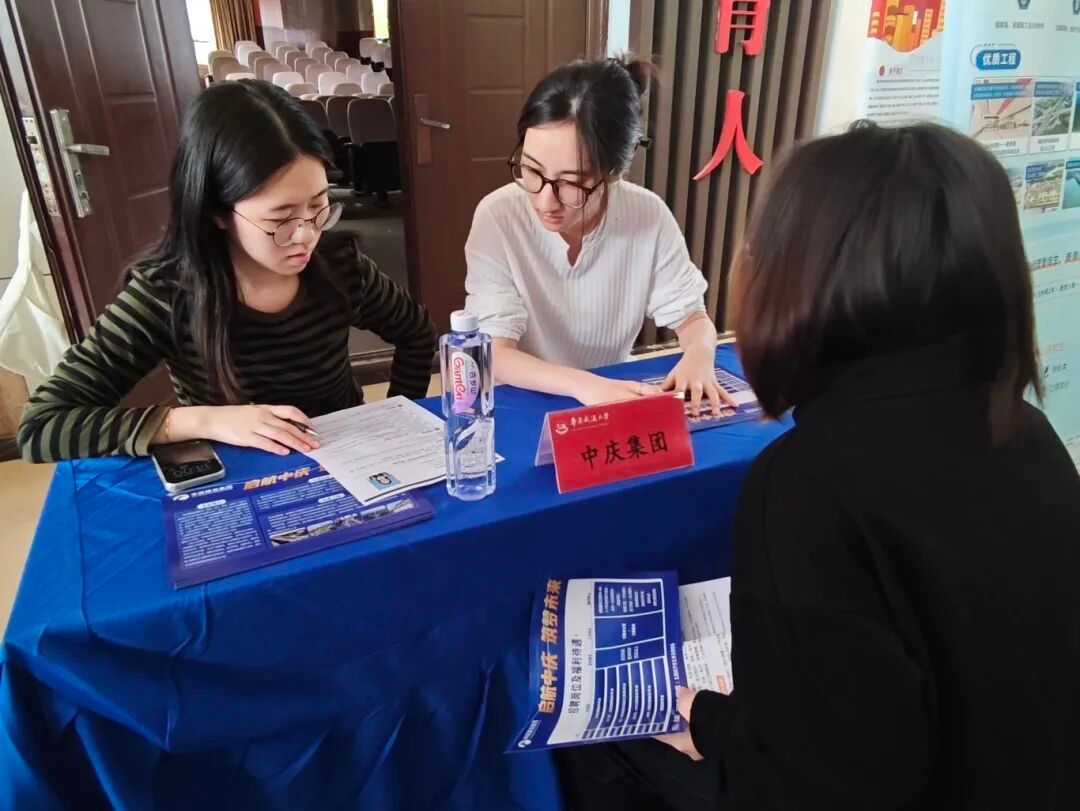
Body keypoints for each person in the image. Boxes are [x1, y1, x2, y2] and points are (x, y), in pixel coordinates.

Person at [557, 122, 1080, 810]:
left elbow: (815, 778)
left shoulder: (807, 485)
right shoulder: (1031, 435)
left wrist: (715, 724)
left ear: (797, 279)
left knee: (599, 741)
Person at [18, 80, 436, 463]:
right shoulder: (168, 293)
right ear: (216, 211)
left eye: (318, 205)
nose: (307, 235)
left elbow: (416, 334)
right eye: (280, 219)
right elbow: (42, 425)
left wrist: (393, 423)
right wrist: (204, 420)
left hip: (343, 457)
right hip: (236, 470)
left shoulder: (339, 264)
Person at [464, 57, 729, 415]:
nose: (544, 201)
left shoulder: (647, 216)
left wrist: (700, 354)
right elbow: (495, 351)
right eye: (531, 170)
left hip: (608, 389)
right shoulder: (498, 216)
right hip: (523, 399)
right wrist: (583, 385)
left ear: (615, 172)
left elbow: (692, 318)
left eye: (571, 183)